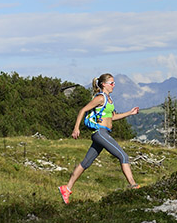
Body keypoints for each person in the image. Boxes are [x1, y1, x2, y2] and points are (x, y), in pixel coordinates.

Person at [59, 73, 140, 204]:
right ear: (104, 84)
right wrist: (76, 128)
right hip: (100, 133)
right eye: (111, 83)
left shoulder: (109, 99)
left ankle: (66, 188)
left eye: (114, 83)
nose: (114, 85)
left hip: (104, 133)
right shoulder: (101, 98)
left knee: (86, 163)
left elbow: (112, 117)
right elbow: (82, 110)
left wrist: (130, 113)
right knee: (123, 156)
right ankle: (133, 185)